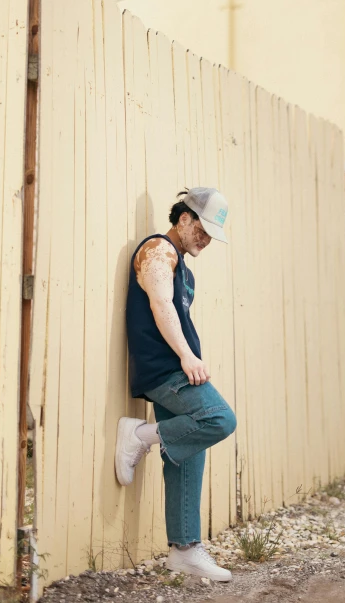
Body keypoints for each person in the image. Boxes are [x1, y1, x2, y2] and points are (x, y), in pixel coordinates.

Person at [115, 187, 236, 582]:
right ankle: (140, 436)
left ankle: (184, 549)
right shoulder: (158, 250)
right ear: (184, 219)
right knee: (219, 419)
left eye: (210, 236)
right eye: (201, 230)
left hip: (176, 371)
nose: (205, 240)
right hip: (165, 371)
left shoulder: (183, 266)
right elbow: (160, 305)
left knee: (185, 453)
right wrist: (186, 356)